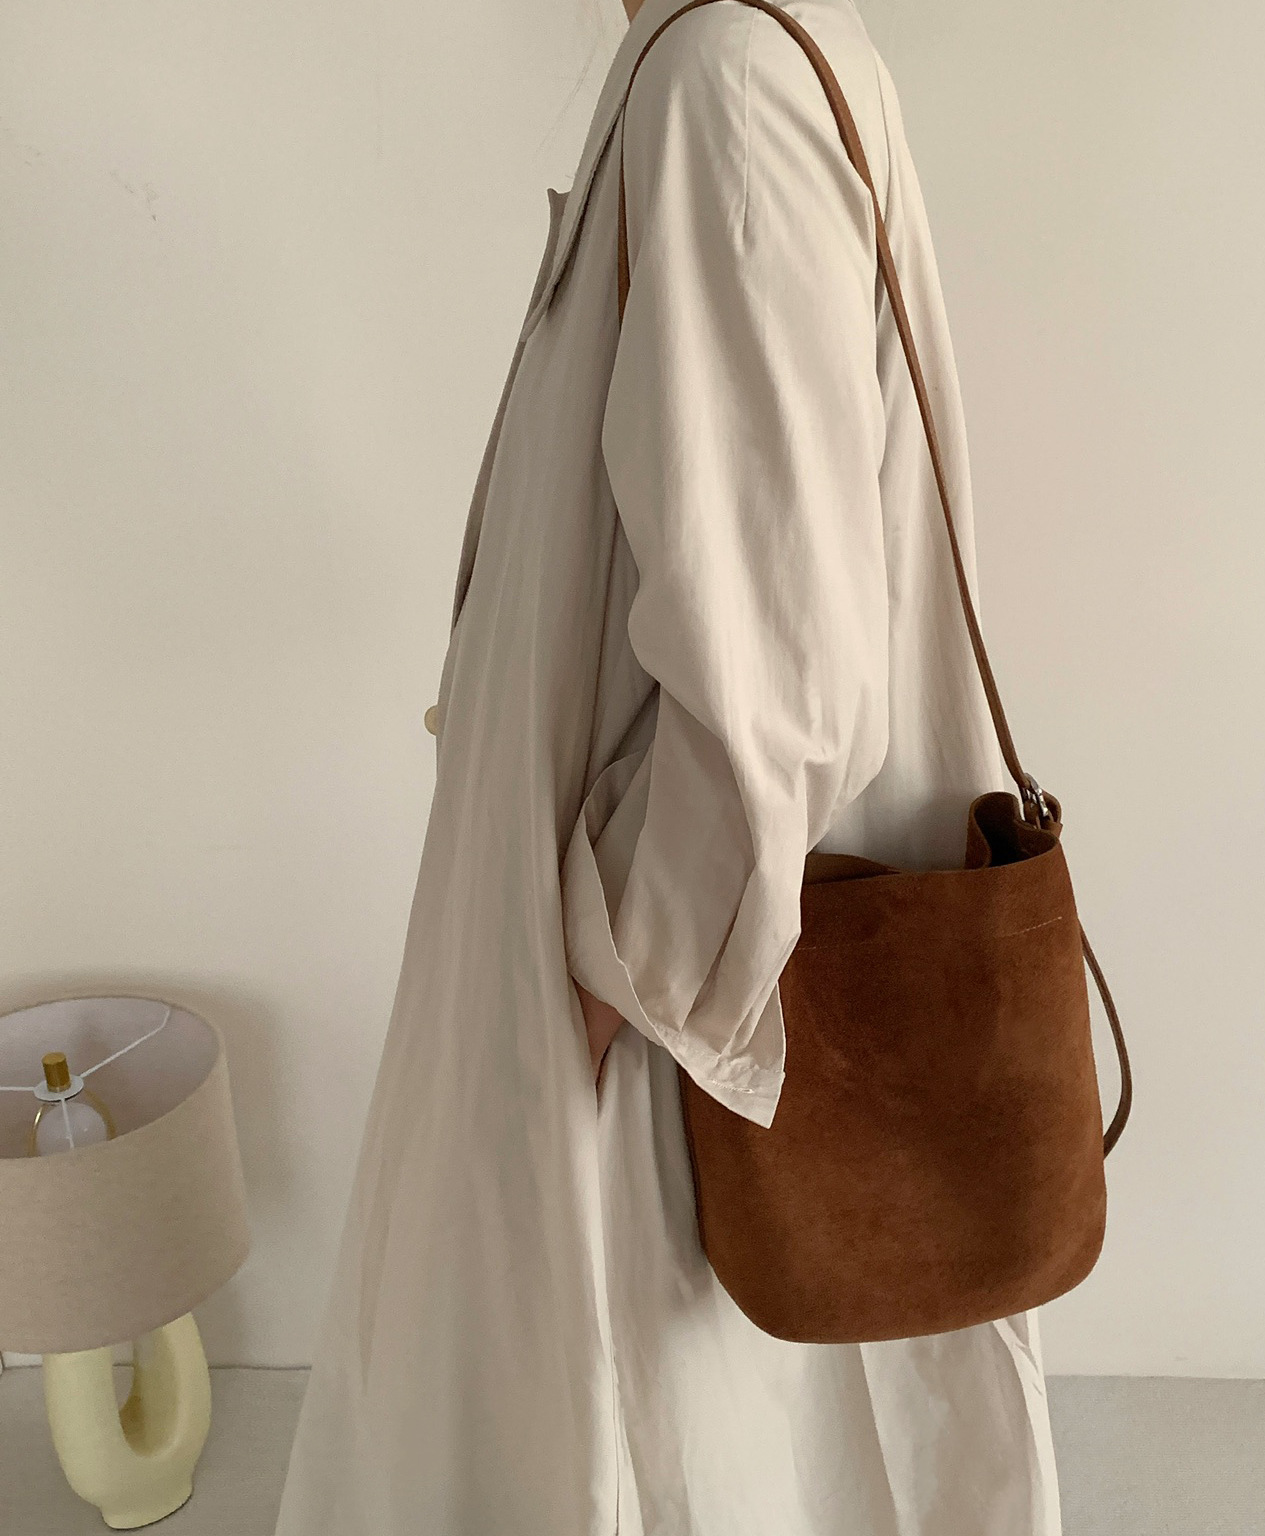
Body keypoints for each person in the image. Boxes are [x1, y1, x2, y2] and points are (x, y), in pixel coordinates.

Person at [275, 0, 1062, 1530]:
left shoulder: (727, 76)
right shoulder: (729, 51)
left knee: (669, 1419)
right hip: (676, 951)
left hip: (672, 997)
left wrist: (624, 970)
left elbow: (787, 665)